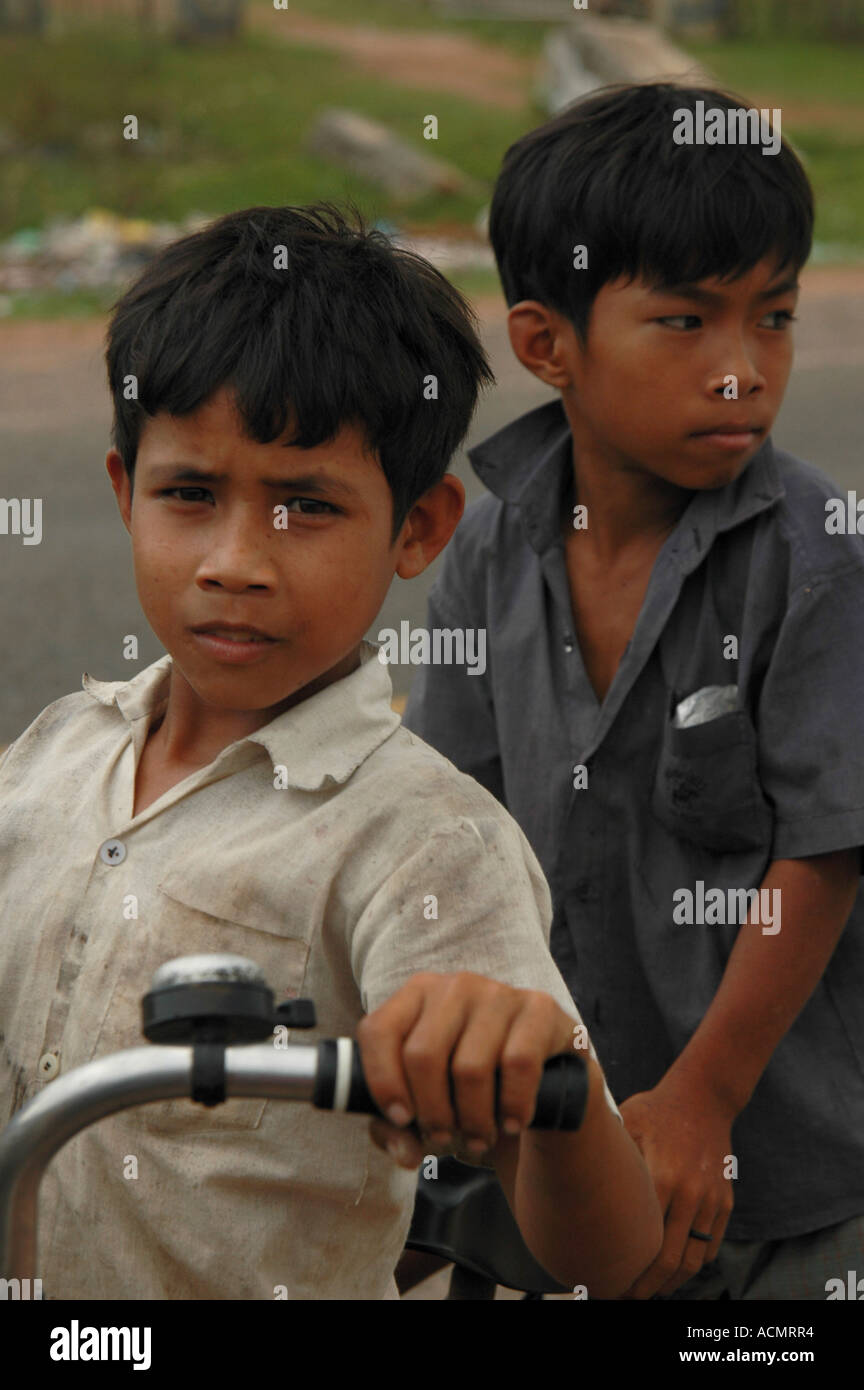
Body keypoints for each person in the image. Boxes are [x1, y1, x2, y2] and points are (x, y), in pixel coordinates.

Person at [0, 203, 662, 1301]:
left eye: (306, 504)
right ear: (125, 493)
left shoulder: (422, 842)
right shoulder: (52, 755)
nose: (234, 561)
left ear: (418, 528)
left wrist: (544, 1066)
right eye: (190, 495)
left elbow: (610, 1249)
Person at [402, 83, 864, 1301]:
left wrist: (705, 1096)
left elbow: (822, 856)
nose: (741, 372)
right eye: (686, 323)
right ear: (548, 343)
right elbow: (456, 829)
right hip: (562, 1156)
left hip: (786, 1172)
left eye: (773, 319)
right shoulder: (489, 552)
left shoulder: (814, 557)